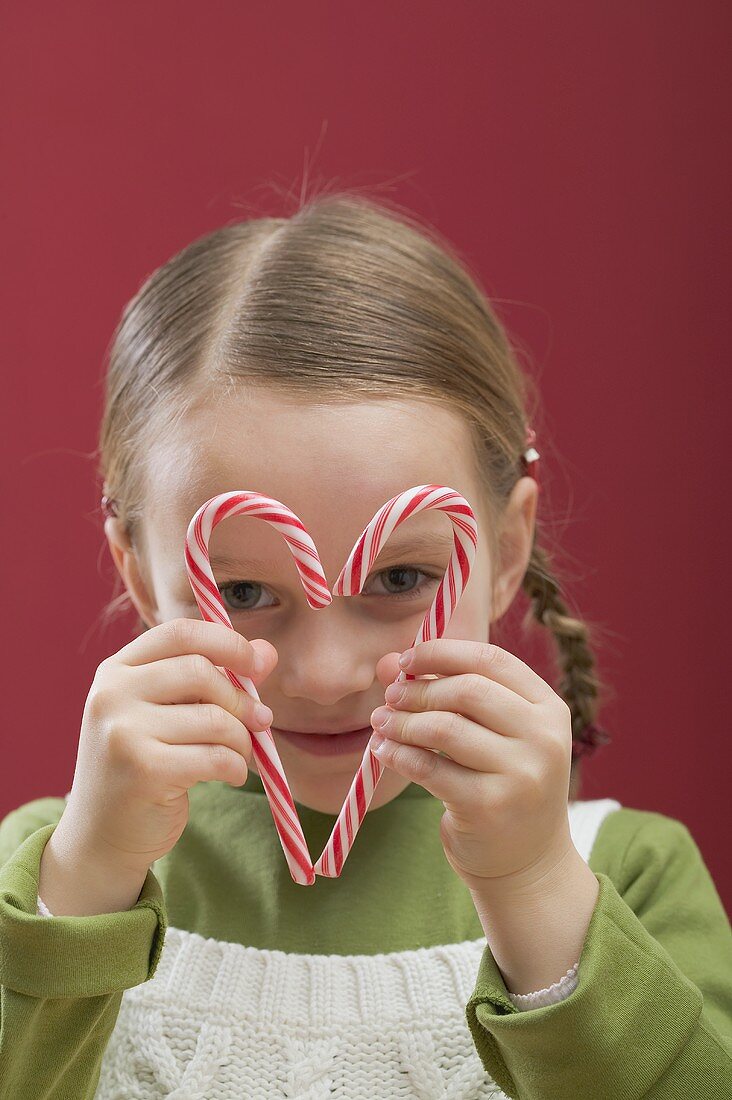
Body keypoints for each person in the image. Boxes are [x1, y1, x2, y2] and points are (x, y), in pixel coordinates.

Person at [1, 192, 730, 1099]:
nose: (323, 673)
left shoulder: (628, 874)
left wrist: (536, 887)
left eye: (397, 581)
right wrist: (80, 892)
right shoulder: (50, 870)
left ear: (503, 552)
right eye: (243, 592)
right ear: (145, 578)